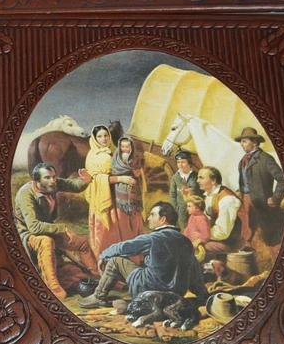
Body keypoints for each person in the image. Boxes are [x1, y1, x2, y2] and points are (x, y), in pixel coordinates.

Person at [78, 201, 209, 308]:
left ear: (163, 219)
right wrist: (202, 295)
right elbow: (194, 270)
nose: (148, 218)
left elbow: (124, 247)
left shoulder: (153, 238)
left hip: (149, 289)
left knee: (116, 260)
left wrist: (104, 255)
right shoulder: (186, 242)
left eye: (152, 215)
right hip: (175, 294)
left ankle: (98, 297)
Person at [14, 163, 97, 299]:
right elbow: (33, 227)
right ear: (37, 180)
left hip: (48, 230)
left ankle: (97, 277)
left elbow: (73, 186)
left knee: (81, 242)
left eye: (54, 176)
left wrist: (84, 181)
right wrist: (62, 228)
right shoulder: (26, 194)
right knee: (46, 241)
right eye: (47, 177)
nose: (52, 180)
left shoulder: (52, 184)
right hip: (29, 234)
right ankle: (53, 286)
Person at [85, 130, 145, 259]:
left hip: (123, 197)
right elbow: (94, 179)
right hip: (105, 197)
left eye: (106, 135)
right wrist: (120, 179)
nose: (104, 139)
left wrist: (136, 174)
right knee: (109, 232)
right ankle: (107, 259)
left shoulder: (115, 151)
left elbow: (134, 167)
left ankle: (130, 258)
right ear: (94, 138)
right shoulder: (92, 155)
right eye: (99, 136)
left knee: (127, 227)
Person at [234, 127, 284, 246]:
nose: (241, 144)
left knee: (268, 234)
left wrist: (275, 198)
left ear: (254, 143)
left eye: (244, 141)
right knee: (248, 229)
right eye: (241, 141)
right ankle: (248, 248)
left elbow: (283, 179)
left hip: (262, 201)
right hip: (246, 199)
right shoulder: (243, 160)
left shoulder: (265, 159)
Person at [197, 166, 243, 256]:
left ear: (213, 180)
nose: (197, 181)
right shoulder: (209, 196)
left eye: (201, 178)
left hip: (230, 243)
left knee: (199, 248)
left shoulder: (227, 199)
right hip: (215, 238)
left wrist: (200, 235)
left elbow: (222, 232)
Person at [169, 150, 201, 227]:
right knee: (183, 228)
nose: (180, 165)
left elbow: (201, 192)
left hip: (195, 209)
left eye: (183, 162)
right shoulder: (175, 177)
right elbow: (172, 194)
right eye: (178, 162)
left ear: (189, 163)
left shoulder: (196, 176)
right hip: (182, 210)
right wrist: (176, 208)